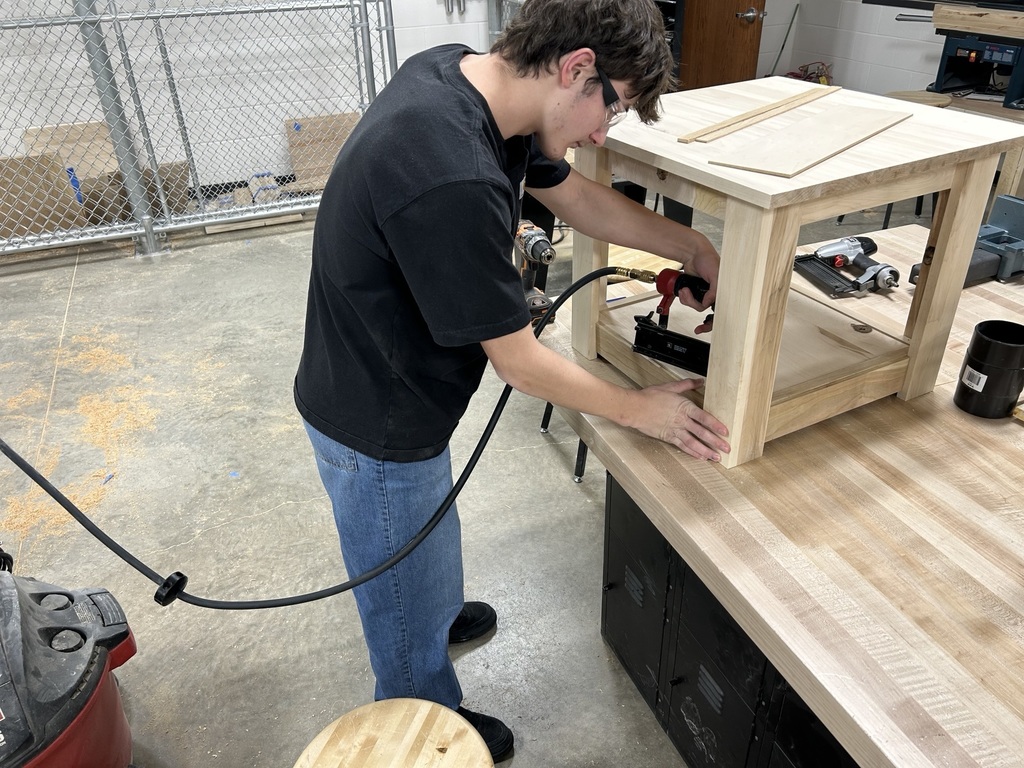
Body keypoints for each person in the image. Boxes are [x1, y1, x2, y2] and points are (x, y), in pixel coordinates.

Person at [294, 0, 731, 760]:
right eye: (612, 108)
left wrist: (694, 247)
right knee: (400, 566)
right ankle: (429, 709)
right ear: (576, 69)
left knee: (427, 526)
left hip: (398, 381)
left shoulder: (471, 83)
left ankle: (429, 611)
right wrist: (638, 411)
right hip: (376, 414)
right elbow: (520, 362)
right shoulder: (446, 168)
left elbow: (582, 200)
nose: (602, 134)